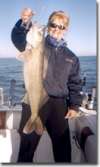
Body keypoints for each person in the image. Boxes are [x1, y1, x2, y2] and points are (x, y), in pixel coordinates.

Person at [11, 9, 82, 163]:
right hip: (33, 100)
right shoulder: (34, 45)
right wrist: (24, 22)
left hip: (58, 105)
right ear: (49, 26)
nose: (57, 29)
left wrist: (74, 106)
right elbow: (17, 38)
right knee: (26, 148)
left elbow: (75, 83)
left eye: (61, 26)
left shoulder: (72, 57)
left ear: (66, 30)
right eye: (53, 24)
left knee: (63, 150)